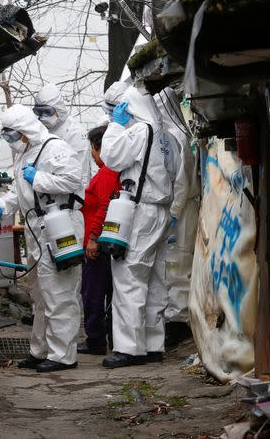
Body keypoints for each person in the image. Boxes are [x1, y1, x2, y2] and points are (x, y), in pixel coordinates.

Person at [0, 104, 84, 372]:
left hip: (59, 225)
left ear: (26, 131)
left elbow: (73, 181)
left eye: (12, 134)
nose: (9, 140)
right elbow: (18, 192)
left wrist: (39, 178)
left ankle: (63, 356)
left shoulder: (56, 148)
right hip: (36, 228)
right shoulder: (24, 153)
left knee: (59, 292)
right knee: (40, 294)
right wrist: (2, 208)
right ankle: (39, 351)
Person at [100, 87, 177, 368]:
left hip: (140, 210)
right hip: (162, 210)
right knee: (155, 279)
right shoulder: (166, 136)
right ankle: (153, 344)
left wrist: (114, 126)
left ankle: (129, 349)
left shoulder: (139, 131)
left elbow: (111, 157)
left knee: (129, 276)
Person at [154, 87, 200, 347]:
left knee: (178, 265)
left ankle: (179, 321)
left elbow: (182, 182)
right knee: (172, 265)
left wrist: (173, 214)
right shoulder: (172, 135)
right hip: (177, 208)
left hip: (182, 209)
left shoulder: (177, 137)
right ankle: (173, 317)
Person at [78, 126, 120, 355]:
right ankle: (110, 339)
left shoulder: (106, 174)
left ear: (101, 148)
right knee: (110, 293)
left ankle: (96, 340)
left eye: (93, 150)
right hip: (108, 241)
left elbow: (104, 207)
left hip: (98, 243)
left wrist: (93, 238)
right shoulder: (114, 173)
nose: (93, 156)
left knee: (93, 293)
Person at [33, 83, 92, 184]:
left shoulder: (75, 132)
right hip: (46, 187)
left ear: (58, 109)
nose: (42, 117)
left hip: (72, 194)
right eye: (39, 112)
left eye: (47, 112)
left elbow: (79, 173)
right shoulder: (42, 130)